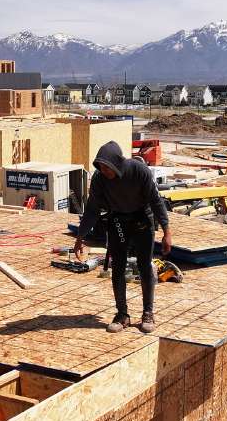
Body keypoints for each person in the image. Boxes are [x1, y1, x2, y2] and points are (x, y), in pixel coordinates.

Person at [73, 141, 172, 334]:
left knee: (145, 265)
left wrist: (167, 231)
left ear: (117, 163)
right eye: (100, 167)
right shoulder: (100, 179)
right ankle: (122, 314)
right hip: (118, 220)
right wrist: (80, 237)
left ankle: (148, 312)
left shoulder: (139, 171)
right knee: (117, 266)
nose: (104, 171)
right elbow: (92, 210)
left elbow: (156, 201)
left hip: (142, 218)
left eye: (106, 167)